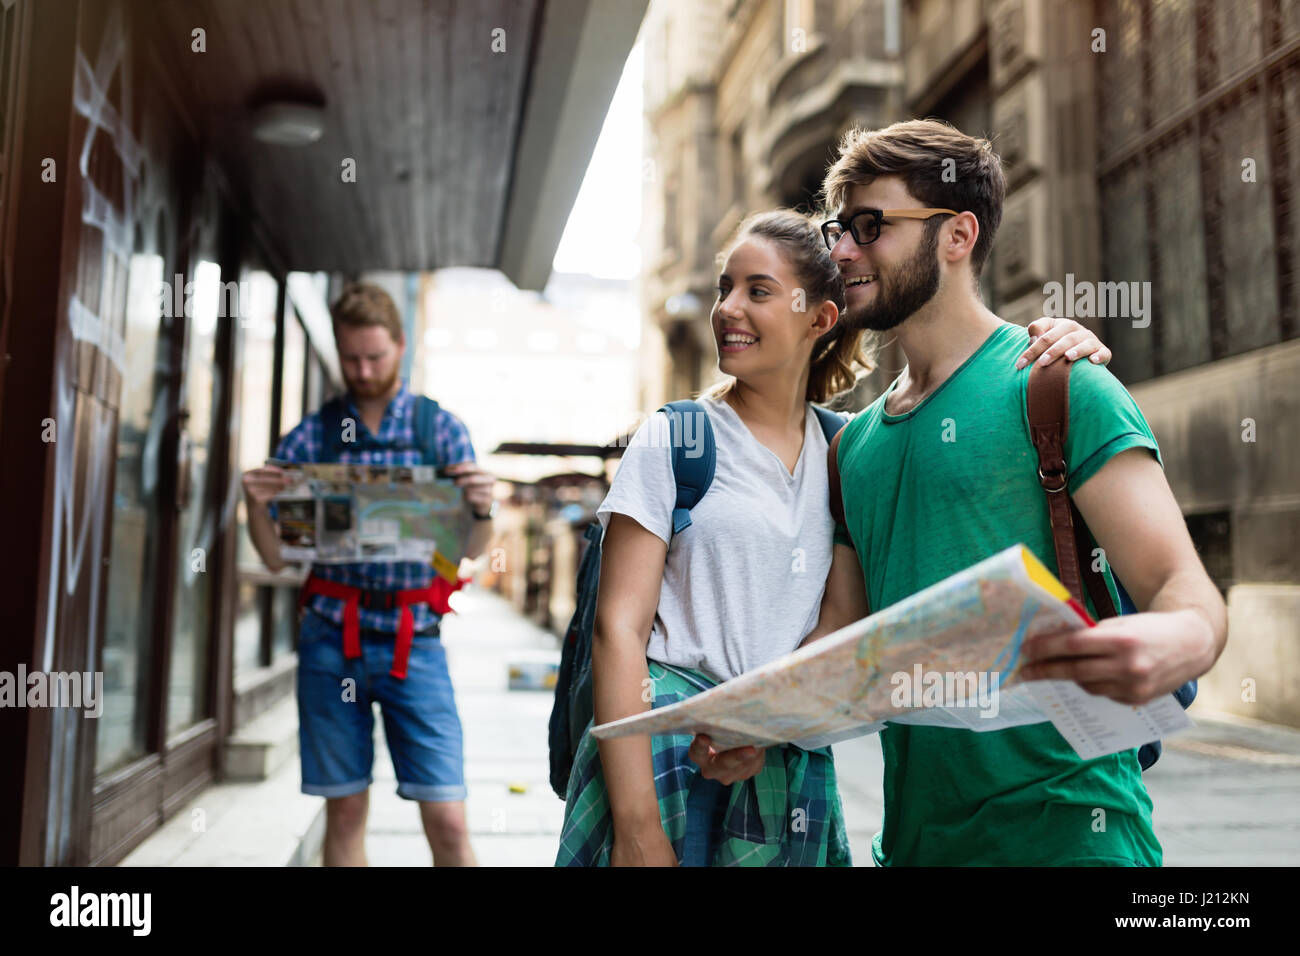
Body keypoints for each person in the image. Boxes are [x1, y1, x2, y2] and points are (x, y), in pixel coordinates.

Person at [728, 118, 1227, 866]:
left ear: (957, 236)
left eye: (871, 226)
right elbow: (841, 637)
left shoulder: (1062, 387)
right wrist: (751, 722)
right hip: (913, 847)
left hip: (1073, 841)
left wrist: (1173, 642)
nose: (841, 251)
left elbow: (1185, 592)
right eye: (840, 228)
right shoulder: (851, 449)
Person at [555, 209, 1111, 867]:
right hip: (659, 763)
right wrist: (638, 830)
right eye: (724, 288)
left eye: (757, 291)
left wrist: (1059, 341)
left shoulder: (850, 449)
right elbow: (617, 631)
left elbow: (839, 624)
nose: (728, 309)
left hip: (782, 758)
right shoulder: (674, 437)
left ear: (819, 318)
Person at [241, 282, 497, 866]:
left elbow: (467, 553)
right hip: (332, 639)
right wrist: (255, 506)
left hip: (416, 640)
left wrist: (483, 510)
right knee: (346, 811)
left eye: (374, 357)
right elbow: (279, 557)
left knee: (448, 817)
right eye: (351, 357)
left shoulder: (441, 431)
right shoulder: (311, 436)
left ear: (400, 346)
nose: (362, 369)